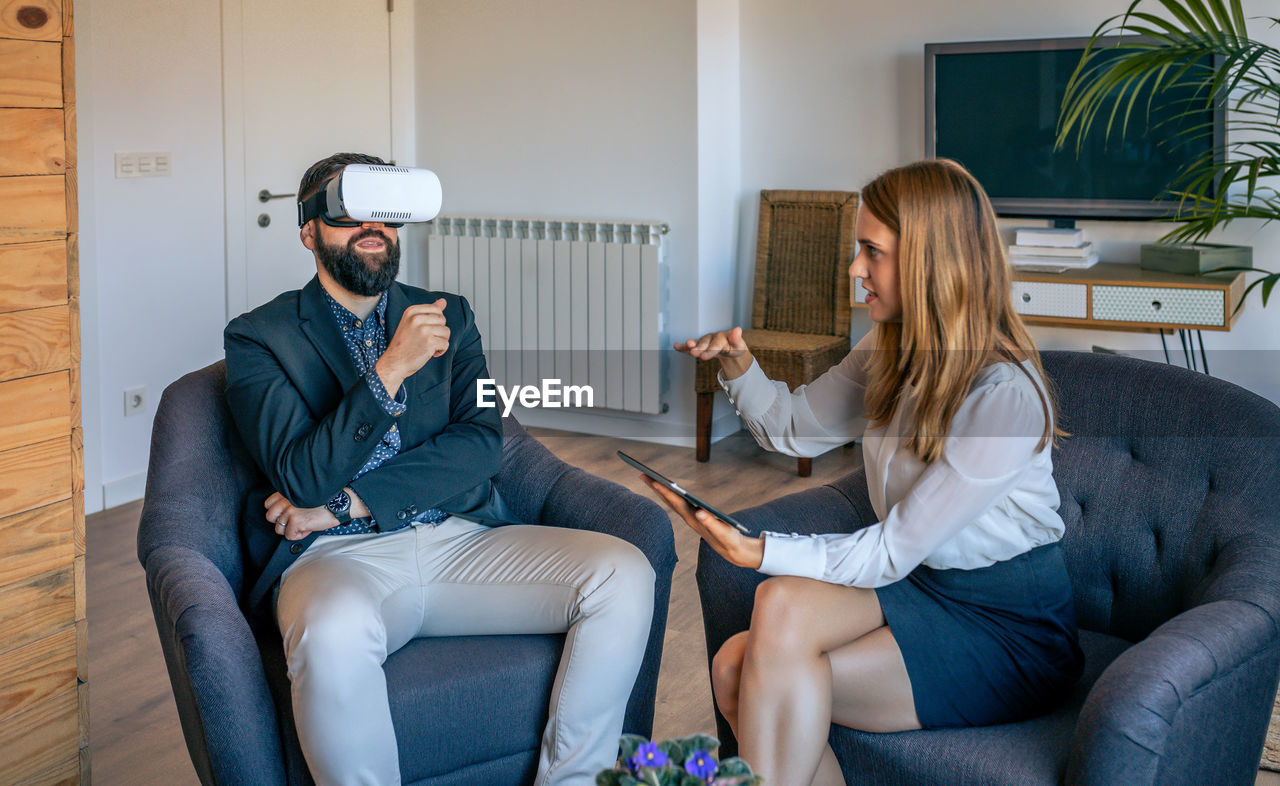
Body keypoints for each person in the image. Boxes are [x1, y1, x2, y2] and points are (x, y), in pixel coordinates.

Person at [223, 152, 656, 786]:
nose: (372, 227)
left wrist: (348, 500)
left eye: (384, 212)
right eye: (347, 211)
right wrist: (388, 371)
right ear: (308, 232)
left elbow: (481, 445)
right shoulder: (260, 337)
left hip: (460, 542)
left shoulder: (447, 313)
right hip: (336, 561)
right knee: (330, 629)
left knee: (623, 573)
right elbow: (303, 478)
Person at [648, 159, 1084, 786]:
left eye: (871, 251)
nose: (855, 269)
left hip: (1008, 627)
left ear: (930, 260)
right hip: (923, 584)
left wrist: (760, 548)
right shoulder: (888, 347)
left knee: (746, 670)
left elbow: (891, 548)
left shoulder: (1004, 395)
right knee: (747, 642)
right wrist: (739, 364)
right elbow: (792, 426)